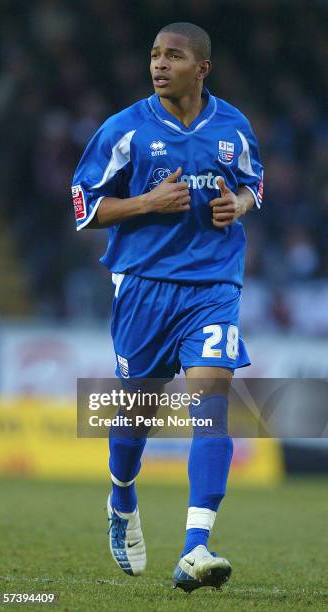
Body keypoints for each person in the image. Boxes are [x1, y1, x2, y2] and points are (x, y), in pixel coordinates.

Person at [71, 22, 263, 592]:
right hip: (143, 289)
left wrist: (240, 204)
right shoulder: (123, 129)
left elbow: (256, 182)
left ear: (201, 68)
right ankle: (122, 496)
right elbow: (83, 206)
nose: (158, 64)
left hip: (213, 287)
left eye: (172, 56)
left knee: (210, 407)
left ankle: (195, 548)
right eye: (154, 55)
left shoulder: (233, 125)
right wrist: (146, 203)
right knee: (136, 416)